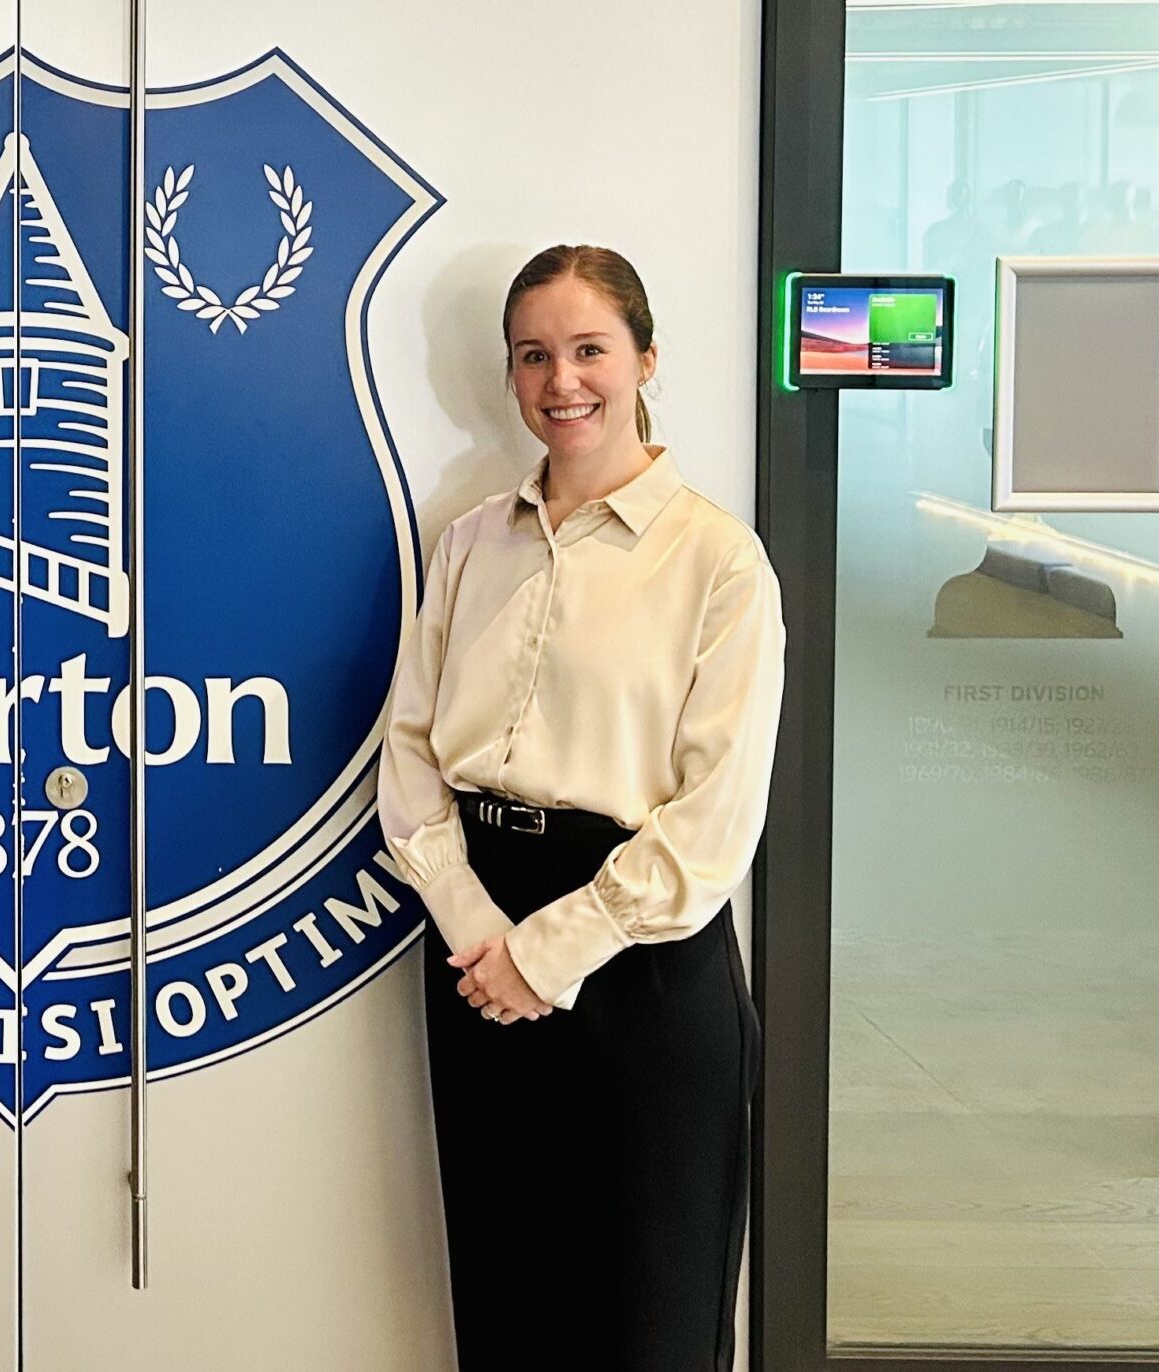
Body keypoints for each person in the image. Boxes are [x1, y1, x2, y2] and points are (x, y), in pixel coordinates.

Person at [377, 244, 782, 1371]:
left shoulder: (719, 563)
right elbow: (410, 754)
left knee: (647, 1313)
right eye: (534, 356)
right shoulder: (467, 545)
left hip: (641, 954)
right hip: (474, 948)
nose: (563, 382)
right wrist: (476, 931)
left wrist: (550, 951)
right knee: (508, 1302)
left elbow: (712, 821)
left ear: (645, 358)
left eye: (590, 349)